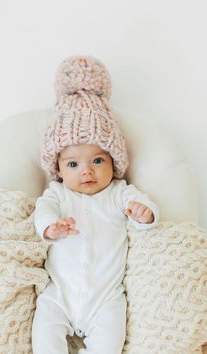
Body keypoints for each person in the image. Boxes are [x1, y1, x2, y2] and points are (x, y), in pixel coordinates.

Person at [32, 55, 159, 354]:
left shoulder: (118, 192)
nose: (86, 170)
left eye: (98, 160)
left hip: (106, 298)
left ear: (114, 162)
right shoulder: (58, 194)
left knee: (108, 343)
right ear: (59, 168)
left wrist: (145, 212)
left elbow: (142, 203)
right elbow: (42, 211)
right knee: (45, 335)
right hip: (59, 295)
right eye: (73, 163)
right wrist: (51, 227)